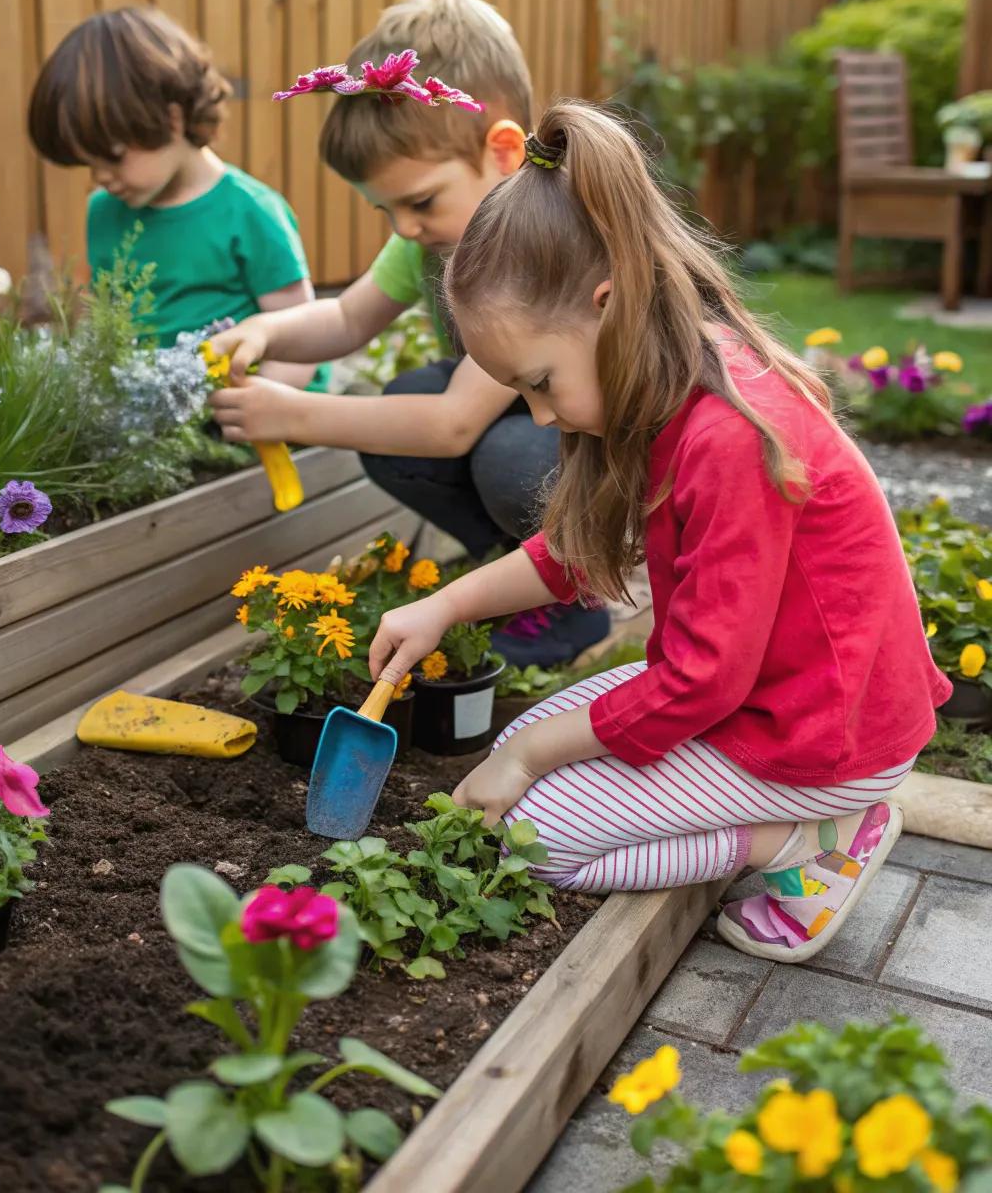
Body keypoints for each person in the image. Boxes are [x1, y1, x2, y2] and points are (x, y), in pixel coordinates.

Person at [366, 100, 950, 962]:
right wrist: (447, 607)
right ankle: (792, 822)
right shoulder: (668, 381)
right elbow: (573, 555)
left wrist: (529, 756)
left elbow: (697, 683)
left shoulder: (727, 437)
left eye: (538, 382)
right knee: (528, 757)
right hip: (774, 699)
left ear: (605, 305)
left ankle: (809, 843)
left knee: (533, 835)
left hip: (821, 734)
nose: (535, 413)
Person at [207, 0, 610, 667]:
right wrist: (265, 335)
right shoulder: (432, 239)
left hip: (593, 455)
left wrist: (295, 413)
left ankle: (569, 595)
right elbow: (345, 317)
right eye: (385, 209)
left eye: (419, 202)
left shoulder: (532, 247)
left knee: (503, 458)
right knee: (403, 410)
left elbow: (454, 422)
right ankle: (512, 575)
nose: (405, 228)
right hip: (530, 426)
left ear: (504, 151)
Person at [27, 5, 326, 392]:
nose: (101, 177)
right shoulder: (103, 211)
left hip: (255, 410)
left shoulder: (249, 211)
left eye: (113, 157)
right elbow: (104, 321)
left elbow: (300, 338)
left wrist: (251, 416)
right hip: (156, 417)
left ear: (172, 119)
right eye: (88, 163)